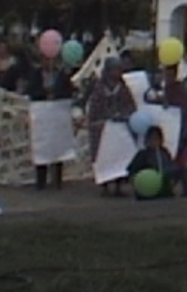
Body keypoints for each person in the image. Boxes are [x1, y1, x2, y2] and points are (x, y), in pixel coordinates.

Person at [86, 56, 137, 197]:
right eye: (115, 69)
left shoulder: (123, 88)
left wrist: (123, 115)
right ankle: (105, 185)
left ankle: (119, 184)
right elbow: (94, 109)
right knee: (104, 158)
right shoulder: (99, 88)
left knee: (120, 157)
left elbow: (131, 106)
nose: (117, 72)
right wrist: (101, 119)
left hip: (119, 128)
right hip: (102, 129)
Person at [25, 56, 76, 190]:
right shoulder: (35, 74)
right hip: (42, 115)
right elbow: (30, 90)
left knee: (58, 145)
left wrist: (57, 94)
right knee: (41, 146)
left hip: (57, 114)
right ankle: (41, 181)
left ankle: (57, 180)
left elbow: (69, 90)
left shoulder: (62, 75)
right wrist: (44, 93)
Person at [127, 125, 178, 200]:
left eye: (156, 139)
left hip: (163, 188)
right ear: (147, 140)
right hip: (146, 189)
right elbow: (132, 172)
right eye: (151, 139)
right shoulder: (142, 154)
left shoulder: (164, 153)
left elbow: (170, 168)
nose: (154, 141)